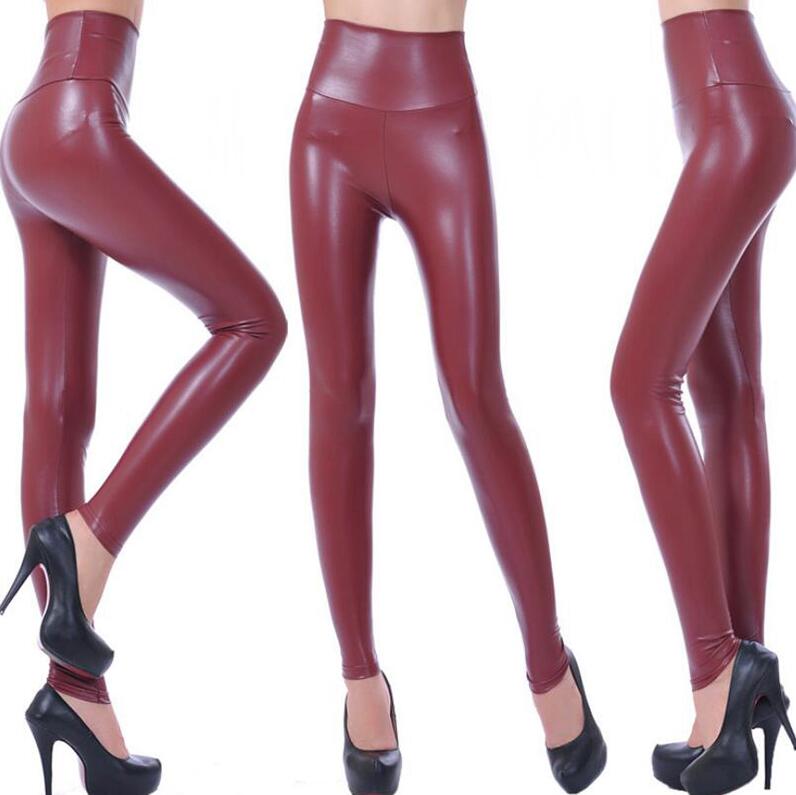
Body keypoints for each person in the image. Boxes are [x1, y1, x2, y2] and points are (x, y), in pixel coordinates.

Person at [290, 2, 607, 792]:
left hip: (440, 114)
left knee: (474, 395)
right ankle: (360, 678)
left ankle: (548, 663)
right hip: (330, 113)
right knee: (338, 398)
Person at [0, 2, 286, 792]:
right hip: (77, 118)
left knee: (61, 405)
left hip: (33, 125)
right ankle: (85, 542)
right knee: (253, 321)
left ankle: (76, 697)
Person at [612, 1, 796, 792]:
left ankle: (717, 666)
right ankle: (737, 688)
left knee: (639, 383)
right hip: (732, 103)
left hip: (729, 105)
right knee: (729, 394)